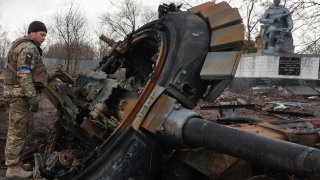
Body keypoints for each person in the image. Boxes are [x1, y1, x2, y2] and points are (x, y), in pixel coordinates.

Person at [3, 20, 48, 178]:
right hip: (20, 95)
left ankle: (18, 162)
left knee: (23, 129)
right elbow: (24, 74)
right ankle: (12, 168)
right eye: (42, 34)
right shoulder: (29, 48)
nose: (44, 38)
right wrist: (32, 97)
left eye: (45, 35)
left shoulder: (23, 45)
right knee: (17, 131)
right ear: (32, 33)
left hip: (18, 94)